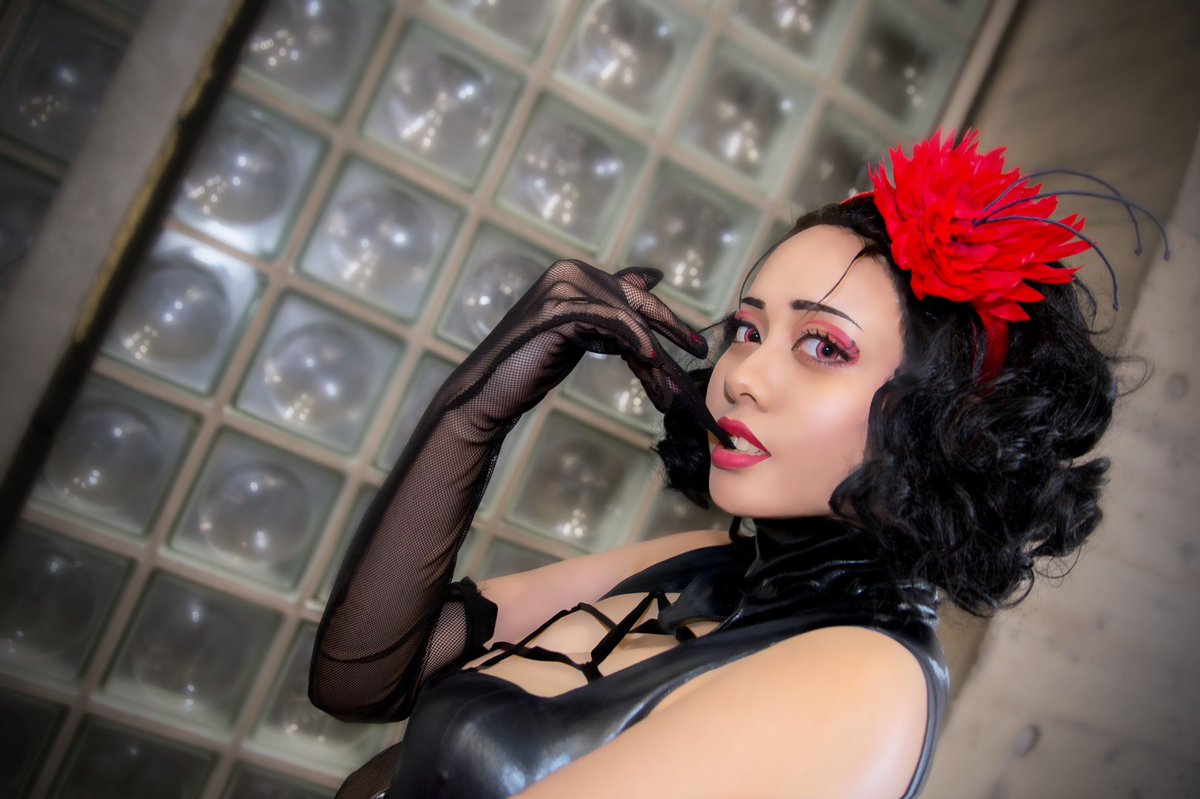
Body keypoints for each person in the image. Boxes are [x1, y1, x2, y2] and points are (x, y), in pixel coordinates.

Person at [309, 131, 1130, 798]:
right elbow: (363, 679)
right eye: (747, 328)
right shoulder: (709, 565)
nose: (742, 375)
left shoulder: (864, 677)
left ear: (949, 420)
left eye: (823, 345)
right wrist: (477, 407)